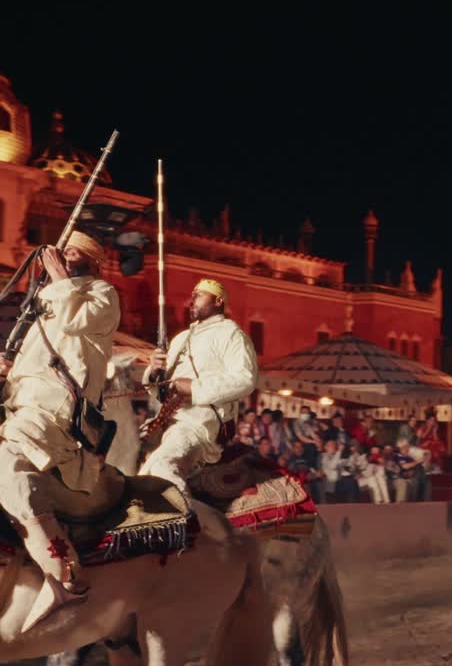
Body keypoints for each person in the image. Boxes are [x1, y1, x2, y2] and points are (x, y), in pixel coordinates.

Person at [0, 232, 120, 629]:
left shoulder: (101, 293)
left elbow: (77, 322)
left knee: (7, 467)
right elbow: (37, 358)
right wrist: (9, 369)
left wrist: (59, 282)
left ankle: (65, 575)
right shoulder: (47, 300)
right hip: (23, 403)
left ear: (95, 261)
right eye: (62, 252)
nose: (64, 257)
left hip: (56, 412)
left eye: (73, 253)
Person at [140, 279, 258, 494]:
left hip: (199, 424)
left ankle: (186, 521)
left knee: (162, 467)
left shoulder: (231, 334)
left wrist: (195, 388)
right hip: (166, 421)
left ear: (219, 301)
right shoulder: (181, 338)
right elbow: (162, 391)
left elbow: (245, 378)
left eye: (199, 295)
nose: (191, 299)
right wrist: (155, 372)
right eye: (192, 294)